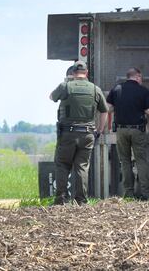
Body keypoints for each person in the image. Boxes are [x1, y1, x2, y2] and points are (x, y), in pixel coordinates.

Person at [50, 61, 108, 205]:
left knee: (63, 164)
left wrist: (67, 82)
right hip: (87, 134)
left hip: (67, 134)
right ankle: (81, 200)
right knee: (82, 166)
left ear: (73, 73)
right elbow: (104, 111)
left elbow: (51, 97)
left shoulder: (65, 86)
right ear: (86, 73)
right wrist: (99, 130)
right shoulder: (95, 89)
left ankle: (60, 199)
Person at [106, 67, 149, 200]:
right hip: (137, 130)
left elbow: (108, 108)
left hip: (121, 130)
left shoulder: (116, 89)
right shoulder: (142, 91)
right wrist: (140, 107)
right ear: (138, 77)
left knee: (125, 161)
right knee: (141, 160)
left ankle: (128, 193)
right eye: (141, 78)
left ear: (127, 77)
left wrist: (120, 106)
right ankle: (145, 194)